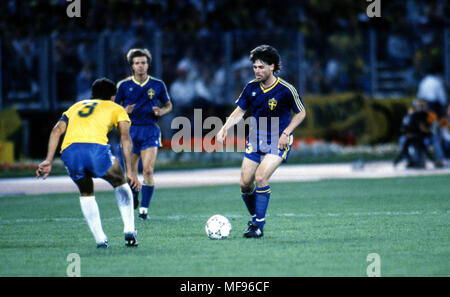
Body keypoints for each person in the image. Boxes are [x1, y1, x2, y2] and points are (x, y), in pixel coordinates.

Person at [36, 78, 141, 248]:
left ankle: (100, 239)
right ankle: (129, 229)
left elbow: (56, 130)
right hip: (94, 150)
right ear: (113, 97)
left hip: (70, 152)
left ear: (93, 95)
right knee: (119, 180)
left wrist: (48, 160)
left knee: (86, 192)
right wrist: (130, 171)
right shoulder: (116, 107)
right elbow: (126, 139)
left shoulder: (76, 106)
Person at [216, 45, 306, 238]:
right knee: (245, 184)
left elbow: (301, 112)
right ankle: (256, 217)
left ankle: (258, 226)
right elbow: (240, 111)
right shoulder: (250, 88)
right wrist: (225, 128)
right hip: (256, 140)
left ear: (272, 67)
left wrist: (287, 132)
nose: (257, 71)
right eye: (255, 67)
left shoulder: (286, 89)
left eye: (261, 67)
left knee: (260, 178)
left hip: (278, 140)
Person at [115, 48, 172, 220]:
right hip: (130, 131)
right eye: (137, 63)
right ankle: (133, 200)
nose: (141, 66)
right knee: (130, 174)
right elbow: (113, 108)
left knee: (147, 170)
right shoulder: (124, 85)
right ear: (132, 66)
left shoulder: (157, 85)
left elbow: (169, 105)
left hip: (150, 129)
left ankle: (144, 210)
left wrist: (161, 112)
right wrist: (125, 110)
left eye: (143, 63)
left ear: (148, 64)